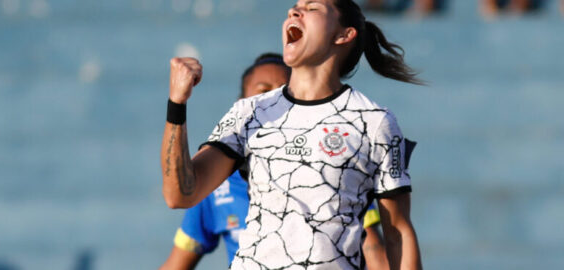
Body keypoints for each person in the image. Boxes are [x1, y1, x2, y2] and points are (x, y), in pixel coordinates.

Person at [161, 0, 422, 269]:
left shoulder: (375, 122)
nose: (294, 11)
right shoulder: (248, 112)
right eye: (295, 7)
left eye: (312, 8)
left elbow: (398, 234)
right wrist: (177, 105)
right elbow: (179, 194)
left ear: (344, 35)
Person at [159, 53, 390, 270]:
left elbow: (375, 252)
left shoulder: (333, 171)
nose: (272, 101)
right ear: (241, 104)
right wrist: (177, 103)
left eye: (282, 92)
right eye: (263, 91)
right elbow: (176, 261)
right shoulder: (215, 186)